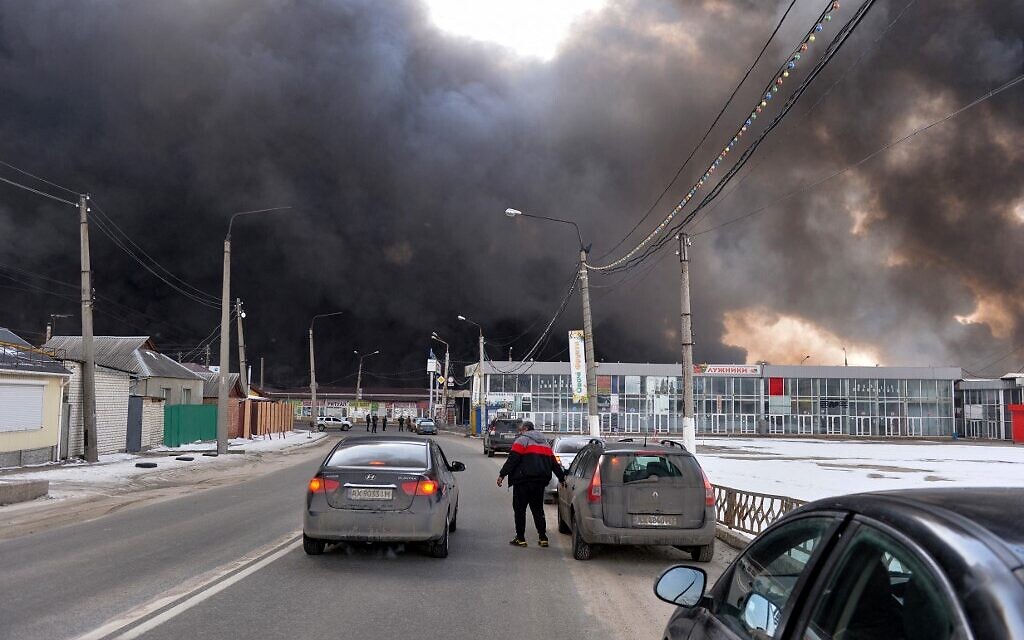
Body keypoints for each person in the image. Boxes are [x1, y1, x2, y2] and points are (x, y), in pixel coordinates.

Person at [497, 421, 565, 548]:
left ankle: (521, 538)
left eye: (521, 430)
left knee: (519, 510)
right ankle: (543, 537)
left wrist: (502, 475)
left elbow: (513, 459)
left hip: (522, 481)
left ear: (526, 429)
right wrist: (561, 478)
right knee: (538, 509)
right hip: (539, 483)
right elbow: (554, 463)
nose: (519, 432)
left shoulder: (522, 441)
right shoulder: (545, 443)